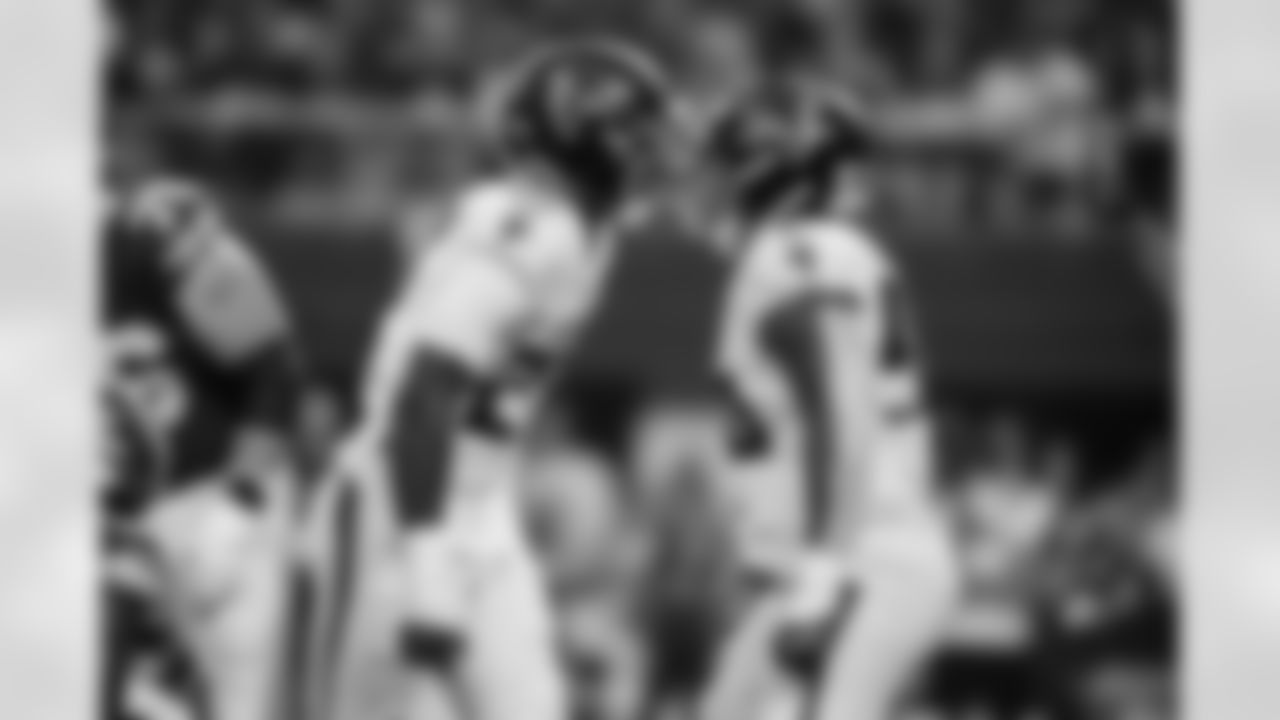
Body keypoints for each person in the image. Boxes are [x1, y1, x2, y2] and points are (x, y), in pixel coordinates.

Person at [288, 38, 679, 720]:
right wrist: (427, 556)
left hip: (482, 509)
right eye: (636, 133)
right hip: (398, 508)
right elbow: (427, 385)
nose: (653, 153)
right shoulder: (531, 224)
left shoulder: (583, 230)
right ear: (583, 135)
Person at [697, 77, 961, 720]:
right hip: (848, 562)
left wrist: (820, 578)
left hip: (858, 565)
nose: (712, 182)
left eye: (728, 162)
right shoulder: (819, 252)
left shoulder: (792, 253)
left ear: (770, 167)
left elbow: (841, 414)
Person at [102, 176, 309, 720]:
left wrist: (241, 501)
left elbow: (275, 371)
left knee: (246, 699)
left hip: (215, 500)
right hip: (118, 525)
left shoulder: (149, 228)